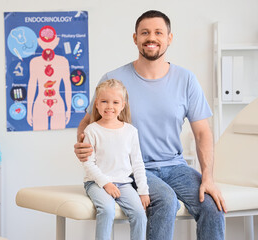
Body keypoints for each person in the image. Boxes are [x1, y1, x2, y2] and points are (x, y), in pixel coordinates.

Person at [75, 10, 227, 240]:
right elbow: (87, 123)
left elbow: (203, 133)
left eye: (158, 32)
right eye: (145, 33)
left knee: (213, 206)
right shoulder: (114, 79)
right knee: (166, 201)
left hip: (176, 166)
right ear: (135, 38)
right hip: (133, 168)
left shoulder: (186, 80)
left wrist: (208, 177)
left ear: (169, 38)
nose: (151, 38)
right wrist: (83, 146)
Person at [83, 79, 149, 240]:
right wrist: (106, 183)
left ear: (123, 105)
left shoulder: (131, 131)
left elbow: (138, 163)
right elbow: (88, 163)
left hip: (124, 183)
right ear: (96, 104)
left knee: (140, 214)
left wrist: (143, 191)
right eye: (104, 101)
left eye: (115, 102)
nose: (109, 106)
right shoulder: (91, 130)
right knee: (107, 209)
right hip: (96, 183)